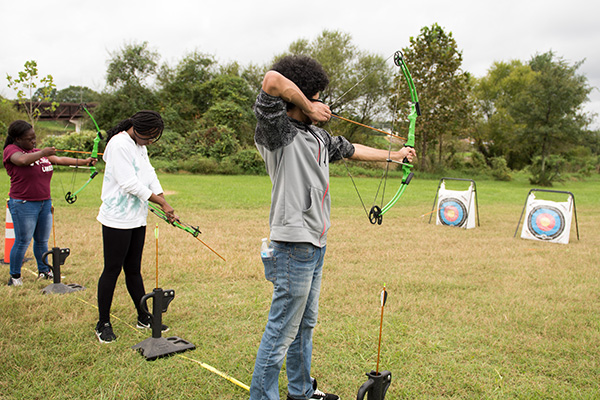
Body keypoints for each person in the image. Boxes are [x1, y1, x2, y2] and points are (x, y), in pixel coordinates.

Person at [250, 55, 416, 400]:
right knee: (282, 329)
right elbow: (271, 81)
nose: (323, 102)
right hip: (292, 243)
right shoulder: (277, 131)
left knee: (304, 325)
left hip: (316, 243)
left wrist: (396, 155)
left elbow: (353, 149)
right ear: (303, 96)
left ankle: (300, 391)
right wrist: (308, 107)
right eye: (317, 95)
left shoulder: (319, 138)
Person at [94, 110, 175, 344]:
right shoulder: (119, 144)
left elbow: (149, 174)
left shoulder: (139, 145)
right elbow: (129, 183)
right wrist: (162, 202)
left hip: (137, 217)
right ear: (137, 129)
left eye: (153, 138)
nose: (150, 141)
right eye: (149, 136)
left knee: (133, 269)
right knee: (112, 269)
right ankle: (103, 323)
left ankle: (143, 316)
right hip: (117, 218)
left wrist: (162, 198)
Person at [3, 120, 97, 286]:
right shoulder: (12, 151)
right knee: (22, 240)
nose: (34, 141)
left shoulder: (36, 151)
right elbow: (22, 161)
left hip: (44, 203)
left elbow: (59, 159)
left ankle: (44, 271)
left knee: (41, 241)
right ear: (17, 139)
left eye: (34, 138)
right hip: (24, 203)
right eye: (29, 139)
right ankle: (15, 277)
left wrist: (83, 162)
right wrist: (43, 152)